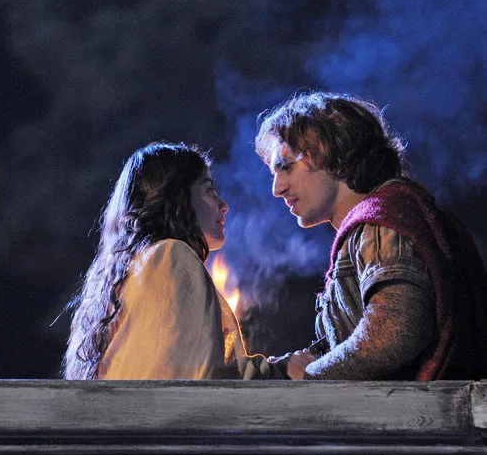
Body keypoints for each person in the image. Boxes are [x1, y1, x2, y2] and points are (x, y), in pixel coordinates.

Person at [256, 91, 487, 381]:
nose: (277, 188)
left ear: (330, 152)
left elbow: (394, 332)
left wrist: (312, 376)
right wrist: (308, 361)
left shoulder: (382, 222)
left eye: (286, 167)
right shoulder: (399, 215)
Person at [64, 142, 277, 380]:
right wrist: (283, 370)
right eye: (208, 190)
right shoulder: (170, 257)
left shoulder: (137, 267)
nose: (223, 205)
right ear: (178, 197)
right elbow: (201, 375)